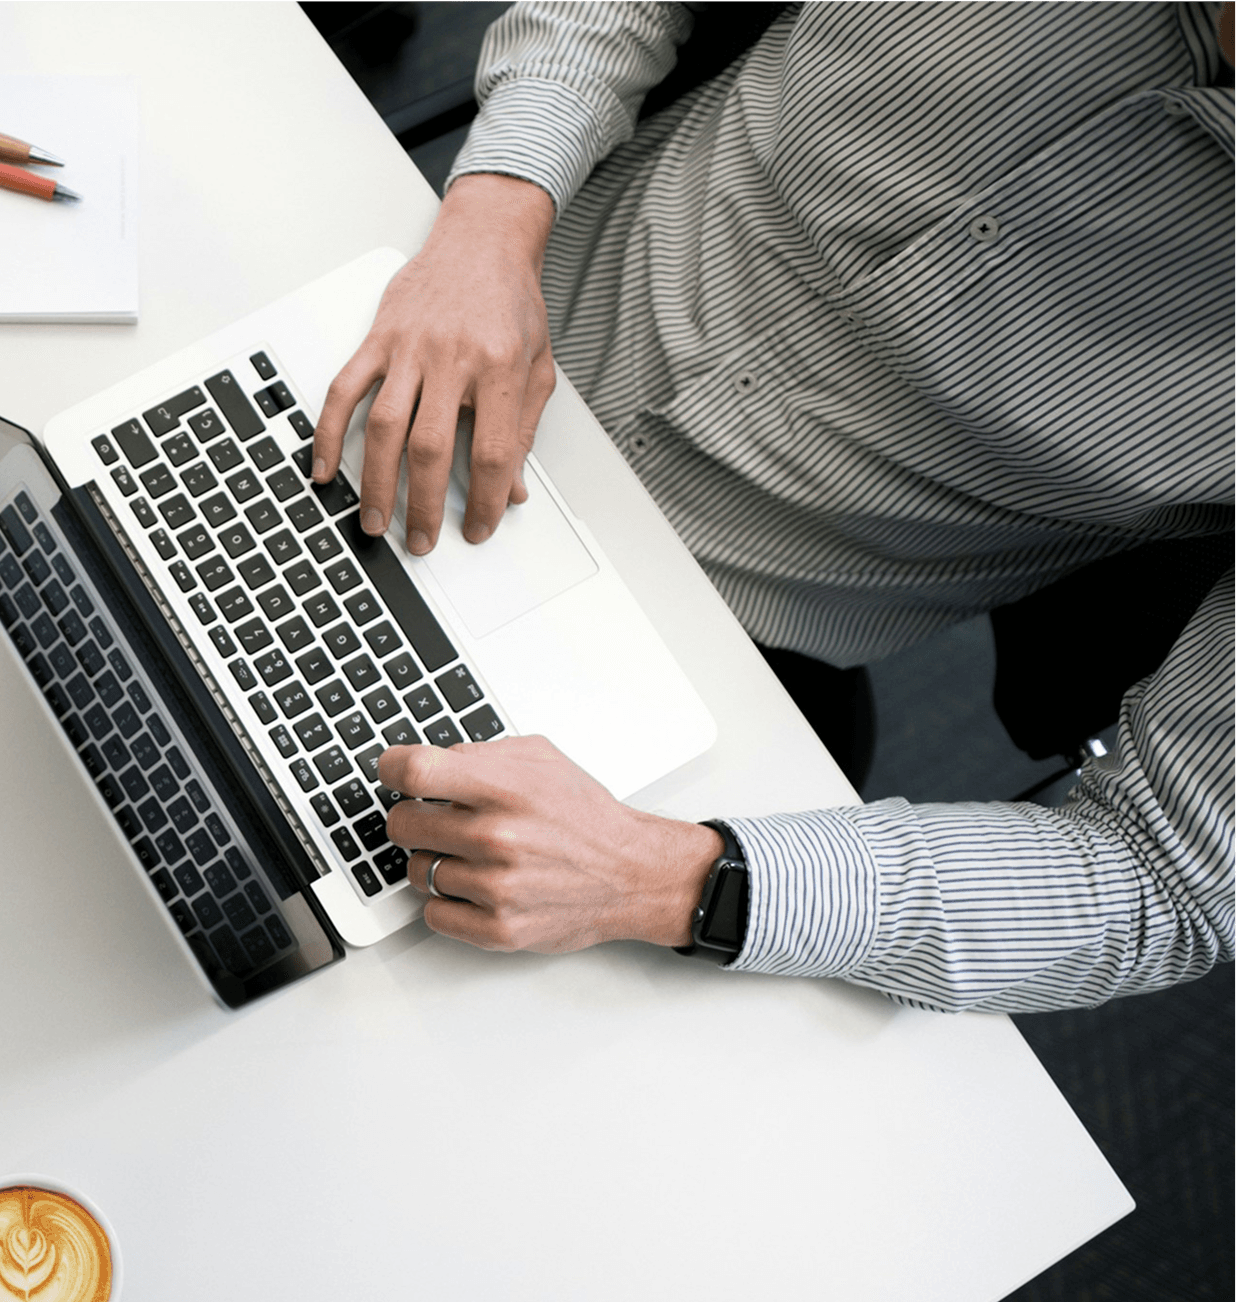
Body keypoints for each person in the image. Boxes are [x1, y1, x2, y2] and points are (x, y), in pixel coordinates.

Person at [326, 1, 1234, 1013]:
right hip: (437, 311)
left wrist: (665, 879)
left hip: (700, 647)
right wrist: (494, 217)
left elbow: (1163, 877)